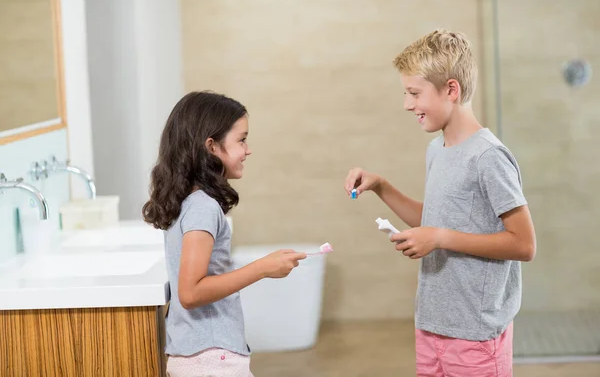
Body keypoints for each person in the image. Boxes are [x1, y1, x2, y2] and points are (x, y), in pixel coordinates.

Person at [344, 29, 536, 376]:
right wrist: (382, 187)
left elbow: (523, 244)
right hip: (432, 323)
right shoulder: (437, 149)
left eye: (414, 93)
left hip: (474, 333)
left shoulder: (488, 157)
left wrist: (440, 238)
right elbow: (435, 219)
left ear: (451, 89)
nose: (407, 104)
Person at [143, 91, 306, 376]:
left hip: (196, 353)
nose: (248, 149)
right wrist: (263, 268)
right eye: (241, 140)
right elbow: (191, 292)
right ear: (212, 147)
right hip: (211, 358)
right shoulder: (203, 207)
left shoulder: (187, 201)